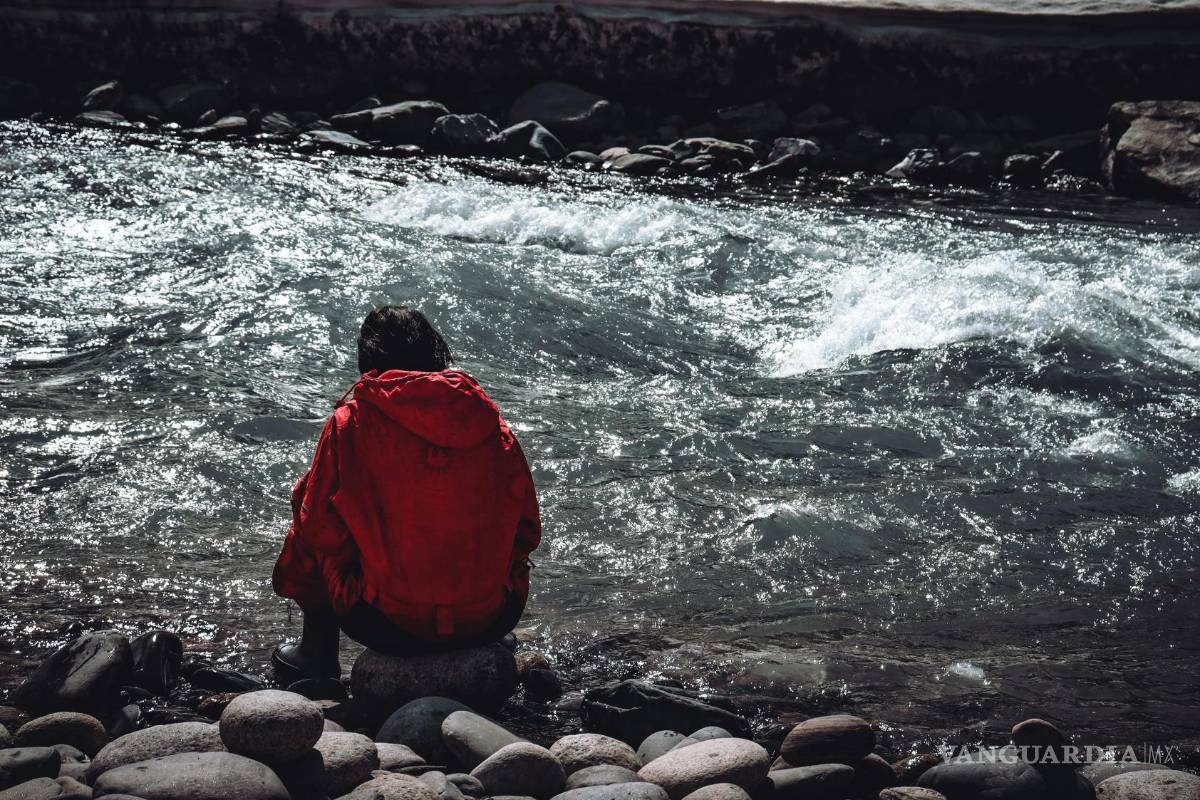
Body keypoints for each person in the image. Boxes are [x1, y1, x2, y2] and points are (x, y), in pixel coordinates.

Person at [271, 305, 541, 681]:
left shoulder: (350, 424)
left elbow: (318, 530)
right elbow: (528, 529)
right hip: (493, 617)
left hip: (385, 625)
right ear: (434, 354)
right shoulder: (488, 420)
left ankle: (318, 652)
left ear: (369, 360)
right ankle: (473, 624)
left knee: (310, 498)